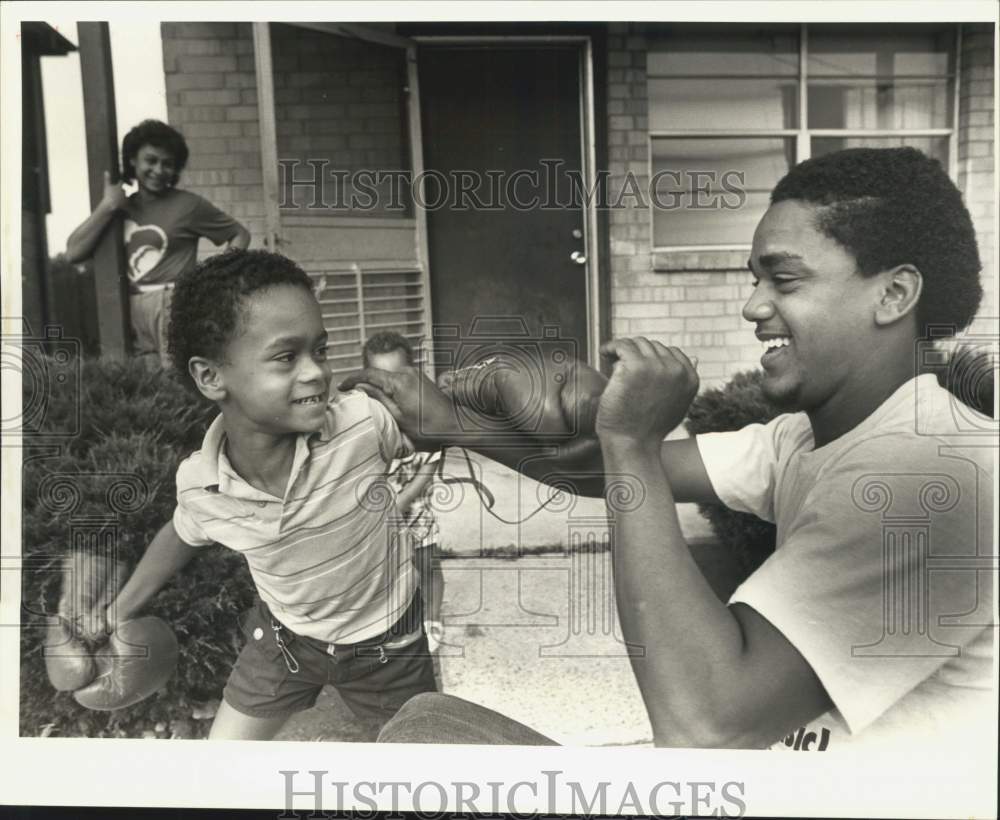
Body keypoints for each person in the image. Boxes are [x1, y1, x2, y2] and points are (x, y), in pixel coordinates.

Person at [341, 147, 995, 751]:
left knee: (420, 749)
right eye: (752, 279)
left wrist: (630, 440)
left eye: (784, 281)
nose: (751, 306)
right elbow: (618, 475)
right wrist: (451, 423)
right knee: (427, 725)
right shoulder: (807, 436)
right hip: (767, 780)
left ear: (894, 294)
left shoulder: (940, 476)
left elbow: (705, 724)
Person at [97, 250, 437, 740]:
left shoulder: (360, 424)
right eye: (286, 357)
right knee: (224, 768)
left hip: (386, 646)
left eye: (319, 351)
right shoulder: (203, 484)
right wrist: (122, 611)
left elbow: (438, 429)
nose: (316, 373)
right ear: (211, 377)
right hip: (283, 642)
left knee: (425, 776)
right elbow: (182, 534)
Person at [65, 119, 250, 367]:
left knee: (179, 379)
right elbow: (73, 252)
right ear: (133, 160)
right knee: (143, 383)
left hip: (172, 303)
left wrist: (213, 279)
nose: (159, 170)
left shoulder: (189, 205)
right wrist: (107, 207)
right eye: (151, 161)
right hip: (129, 307)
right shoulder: (120, 208)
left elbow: (240, 234)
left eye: (167, 164)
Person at [362, 331, 446, 653]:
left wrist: (404, 499)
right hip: (380, 514)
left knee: (427, 564)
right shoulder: (365, 419)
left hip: (417, 511)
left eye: (397, 377)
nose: (390, 388)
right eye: (381, 380)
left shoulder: (423, 417)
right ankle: (390, 620)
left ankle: (432, 619)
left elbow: (431, 464)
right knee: (388, 571)